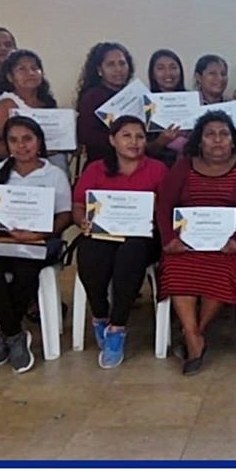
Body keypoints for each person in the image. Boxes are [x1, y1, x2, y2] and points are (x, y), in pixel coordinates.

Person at [155, 111, 236, 375]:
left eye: (224, 134)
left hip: (229, 246)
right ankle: (194, 336)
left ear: (233, 140)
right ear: (199, 140)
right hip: (186, 244)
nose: (217, 140)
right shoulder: (184, 166)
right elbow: (163, 203)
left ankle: (194, 333)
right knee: (176, 267)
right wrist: (169, 239)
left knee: (222, 269)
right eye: (210, 134)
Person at [0, 116, 73, 373]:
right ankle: (14, 334)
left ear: (39, 142)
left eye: (27, 139)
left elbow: (65, 216)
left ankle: (6, 334)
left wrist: (40, 233)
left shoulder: (54, 174)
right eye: (13, 140)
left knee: (26, 268)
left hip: (36, 243)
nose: (21, 146)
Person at [72, 115, 168, 368]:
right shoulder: (95, 169)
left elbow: (167, 209)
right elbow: (79, 205)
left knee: (131, 253)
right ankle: (100, 315)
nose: (134, 142)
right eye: (126, 136)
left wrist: (154, 209)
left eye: (140, 136)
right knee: (90, 251)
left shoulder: (158, 169)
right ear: (112, 140)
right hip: (103, 234)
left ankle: (117, 328)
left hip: (143, 238)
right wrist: (83, 221)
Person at [0, 49, 66, 172]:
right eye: (22, 69)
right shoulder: (6, 104)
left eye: (34, 68)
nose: (30, 73)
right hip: (21, 170)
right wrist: (23, 155)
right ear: (10, 77)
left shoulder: (47, 102)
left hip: (54, 168)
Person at [76, 41, 136, 164]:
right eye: (111, 64)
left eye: (122, 63)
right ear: (99, 70)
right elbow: (86, 136)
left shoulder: (135, 95)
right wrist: (120, 142)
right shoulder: (92, 98)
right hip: (103, 165)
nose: (118, 69)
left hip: (135, 162)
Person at [145, 49, 187, 166]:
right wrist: (160, 142)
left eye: (173, 67)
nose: (168, 73)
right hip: (159, 167)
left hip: (192, 167)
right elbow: (141, 149)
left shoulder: (194, 100)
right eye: (160, 68)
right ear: (152, 74)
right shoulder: (146, 105)